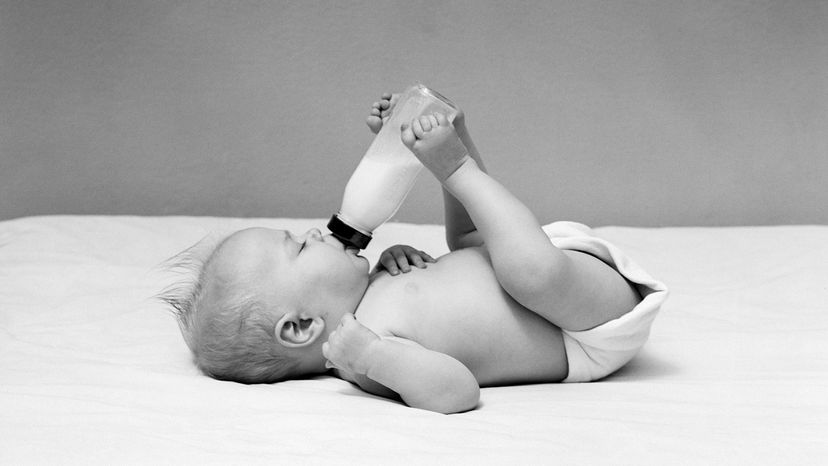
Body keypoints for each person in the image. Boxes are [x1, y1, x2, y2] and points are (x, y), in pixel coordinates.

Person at [159, 92, 668, 414]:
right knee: (525, 272)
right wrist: (377, 356)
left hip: (542, 266)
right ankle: (456, 165)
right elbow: (457, 392)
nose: (315, 234)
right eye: (297, 247)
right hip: (581, 328)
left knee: (466, 243)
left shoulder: (366, 295)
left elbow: (445, 291)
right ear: (300, 328)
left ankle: (452, 138)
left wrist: (396, 264)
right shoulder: (362, 356)